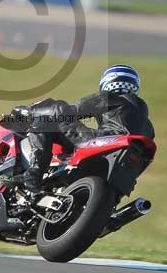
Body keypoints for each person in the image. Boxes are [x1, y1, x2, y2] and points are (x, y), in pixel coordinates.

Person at [18, 64, 155, 193]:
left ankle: (33, 174)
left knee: (49, 117)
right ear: (135, 86)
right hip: (123, 166)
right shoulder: (149, 126)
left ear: (107, 82)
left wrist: (30, 112)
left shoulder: (108, 98)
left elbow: (69, 111)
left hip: (102, 141)